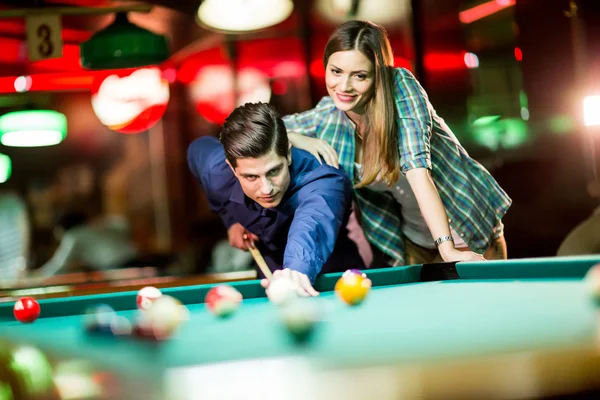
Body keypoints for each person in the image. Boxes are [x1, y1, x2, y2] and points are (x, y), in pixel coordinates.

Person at [282, 20, 512, 266]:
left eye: (360, 76)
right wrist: (294, 137)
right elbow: (258, 128)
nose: (344, 86)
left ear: (378, 74)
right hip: (411, 241)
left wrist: (448, 249)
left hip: (467, 227)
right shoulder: (327, 115)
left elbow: (418, 171)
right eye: (336, 71)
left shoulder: (400, 88)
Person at [187, 102, 364, 297]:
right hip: (268, 278)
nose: (266, 188)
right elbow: (196, 149)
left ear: (287, 154)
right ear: (232, 167)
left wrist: (295, 272)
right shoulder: (217, 171)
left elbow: (311, 227)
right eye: (251, 177)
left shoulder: (324, 180)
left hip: (334, 283)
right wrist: (231, 220)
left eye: (273, 171)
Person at [33, 211, 139, 277]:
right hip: (138, 263)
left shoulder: (73, 236)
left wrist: (36, 276)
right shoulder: (101, 225)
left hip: (116, 270)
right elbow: (125, 225)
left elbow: (58, 266)